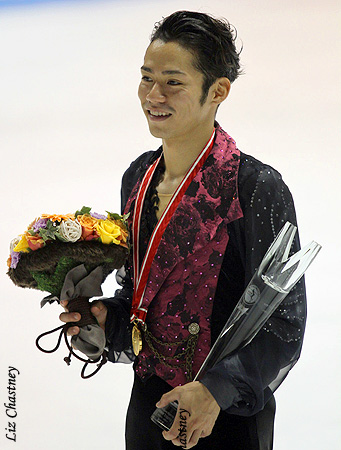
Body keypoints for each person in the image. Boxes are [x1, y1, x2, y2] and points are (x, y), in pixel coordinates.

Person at [60, 11, 306, 450]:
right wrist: (107, 324)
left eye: (173, 81)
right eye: (146, 77)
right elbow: (143, 296)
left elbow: (283, 326)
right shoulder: (138, 177)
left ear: (218, 91)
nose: (153, 95)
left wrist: (216, 390)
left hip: (225, 416)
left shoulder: (255, 188)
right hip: (150, 407)